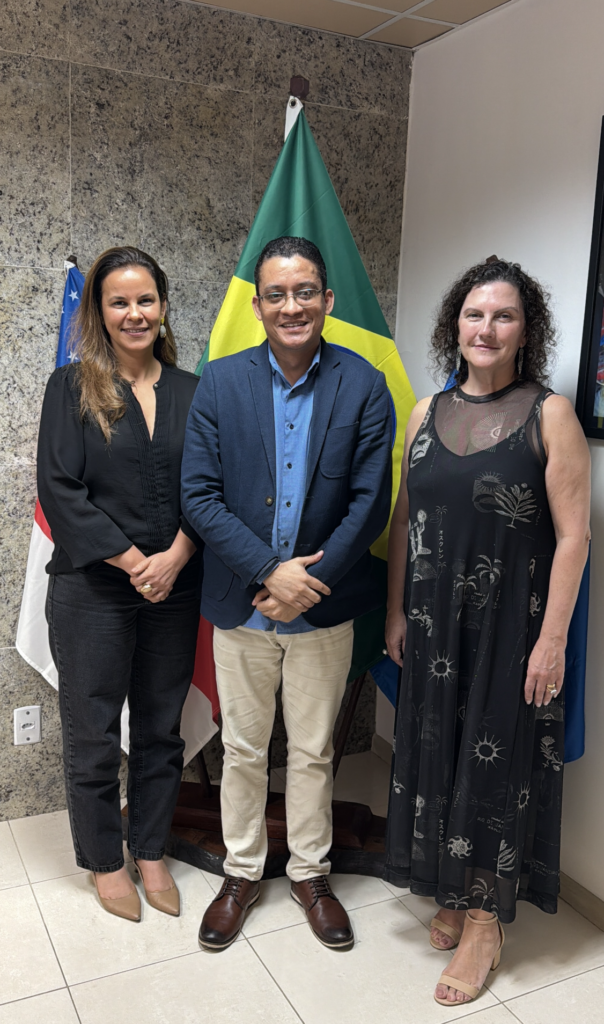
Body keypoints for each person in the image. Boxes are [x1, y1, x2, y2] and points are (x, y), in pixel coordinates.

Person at [385, 257, 591, 1006]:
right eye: (475, 313)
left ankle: (483, 922)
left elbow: (574, 536)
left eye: (504, 315)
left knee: (494, 769)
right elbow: (405, 521)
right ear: (456, 325)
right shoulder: (424, 413)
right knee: (437, 752)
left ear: (525, 331)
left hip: (511, 627)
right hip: (434, 623)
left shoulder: (550, 415)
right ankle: (450, 884)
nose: (487, 327)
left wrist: (552, 639)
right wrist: (395, 610)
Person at [181, 236, 392, 951]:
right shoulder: (220, 381)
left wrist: (308, 585)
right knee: (243, 749)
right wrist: (270, 573)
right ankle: (241, 871)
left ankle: (310, 874)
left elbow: (370, 502)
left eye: (304, 292)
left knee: (312, 751)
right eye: (276, 293)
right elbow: (199, 495)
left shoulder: (363, 384)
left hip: (324, 609)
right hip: (241, 604)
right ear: (258, 304)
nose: (291, 306)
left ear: (327, 300)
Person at [38, 246, 201, 922]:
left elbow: (211, 489)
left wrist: (177, 555)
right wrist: (137, 562)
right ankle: (106, 860)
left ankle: (152, 849)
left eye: (145, 300)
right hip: (94, 590)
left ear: (162, 306)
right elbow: (60, 490)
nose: (134, 313)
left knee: (162, 730)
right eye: (119, 301)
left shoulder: (195, 390)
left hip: (177, 587)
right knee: (96, 733)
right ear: (98, 312)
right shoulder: (71, 387)